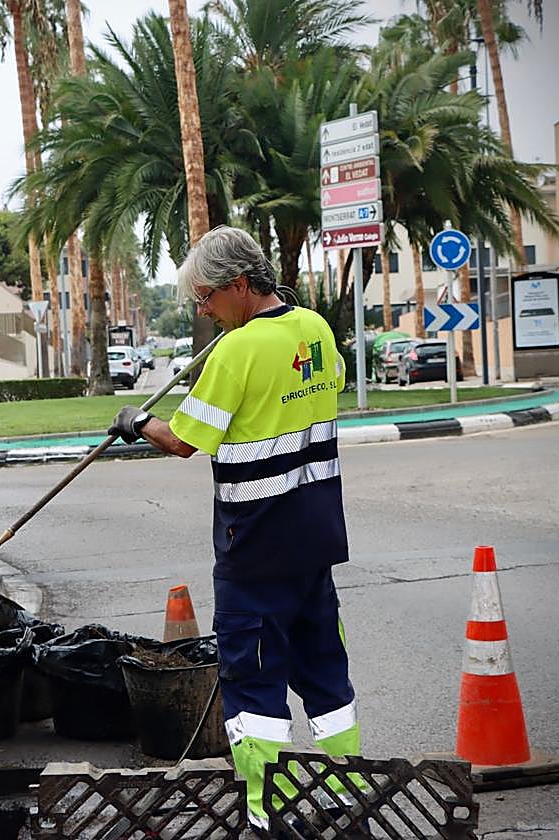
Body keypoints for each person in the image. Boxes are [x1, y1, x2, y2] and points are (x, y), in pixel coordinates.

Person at [108, 227, 360, 838]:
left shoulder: (235, 352)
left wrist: (137, 421)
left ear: (241, 286)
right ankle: (348, 797)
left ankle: (264, 813)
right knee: (326, 670)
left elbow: (185, 441)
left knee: (252, 681)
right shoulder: (316, 331)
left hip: (255, 548)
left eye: (207, 297)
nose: (202, 309)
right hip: (315, 539)